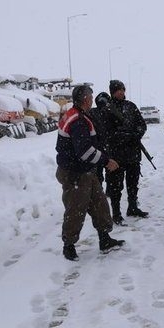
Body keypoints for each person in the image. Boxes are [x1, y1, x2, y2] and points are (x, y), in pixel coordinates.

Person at [55, 85, 124, 261]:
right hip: (75, 173)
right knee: (76, 209)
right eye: (90, 96)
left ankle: (104, 239)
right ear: (85, 98)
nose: (92, 99)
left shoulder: (80, 115)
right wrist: (106, 161)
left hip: (86, 171)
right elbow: (84, 152)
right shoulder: (78, 120)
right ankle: (68, 246)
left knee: (100, 204)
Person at [97, 80, 149, 225]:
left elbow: (142, 125)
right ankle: (116, 214)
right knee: (115, 187)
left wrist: (136, 134)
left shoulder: (130, 106)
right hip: (116, 155)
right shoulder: (107, 109)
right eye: (118, 90)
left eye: (122, 89)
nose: (121, 92)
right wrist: (124, 136)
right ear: (112, 92)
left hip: (133, 153)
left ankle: (132, 207)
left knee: (133, 183)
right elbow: (106, 132)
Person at [88, 91, 111, 190]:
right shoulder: (109, 112)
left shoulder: (92, 112)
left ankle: (101, 191)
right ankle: (105, 191)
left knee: (101, 174)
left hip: (99, 148)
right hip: (102, 148)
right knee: (105, 173)